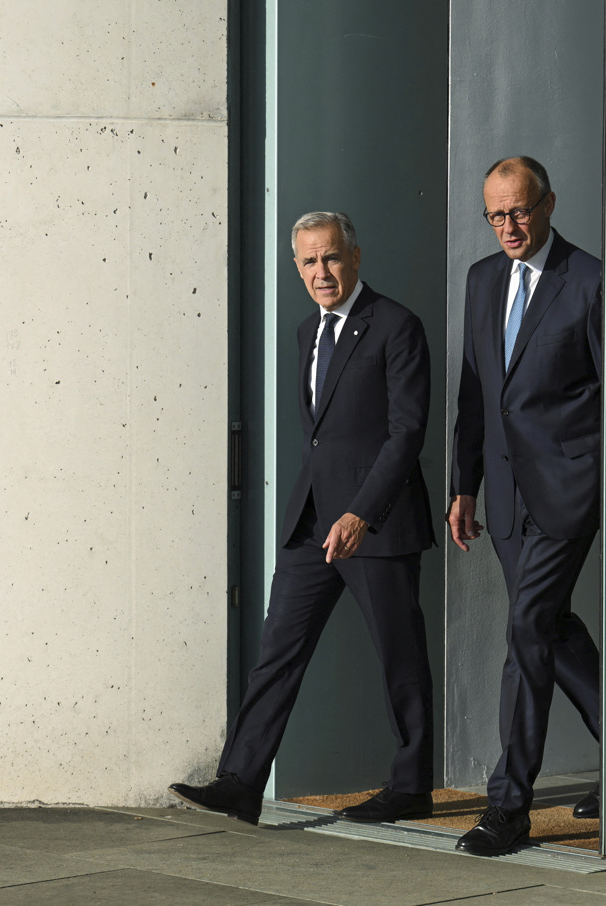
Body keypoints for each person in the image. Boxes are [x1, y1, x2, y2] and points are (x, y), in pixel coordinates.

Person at [170, 211, 436, 826]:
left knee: (400, 656)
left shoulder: (396, 325)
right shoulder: (305, 332)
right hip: (311, 523)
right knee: (277, 652)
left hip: (375, 523)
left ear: (355, 256)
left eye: (332, 257)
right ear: (297, 266)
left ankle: (411, 787)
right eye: (310, 260)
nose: (322, 271)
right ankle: (240, 782)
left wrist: (361, 512)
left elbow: (406, 433)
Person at [448, 157, 604, 856]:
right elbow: (476, 389)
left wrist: (596, 480)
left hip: (567, 492)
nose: (508, 226)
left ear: (548, 204)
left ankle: (508, 807)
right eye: (495, 215)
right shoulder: (483, 279)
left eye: (518, 211)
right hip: (507, 496)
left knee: (526, 626)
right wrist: (464, 484)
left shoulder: (590, 279)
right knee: (549, 628)